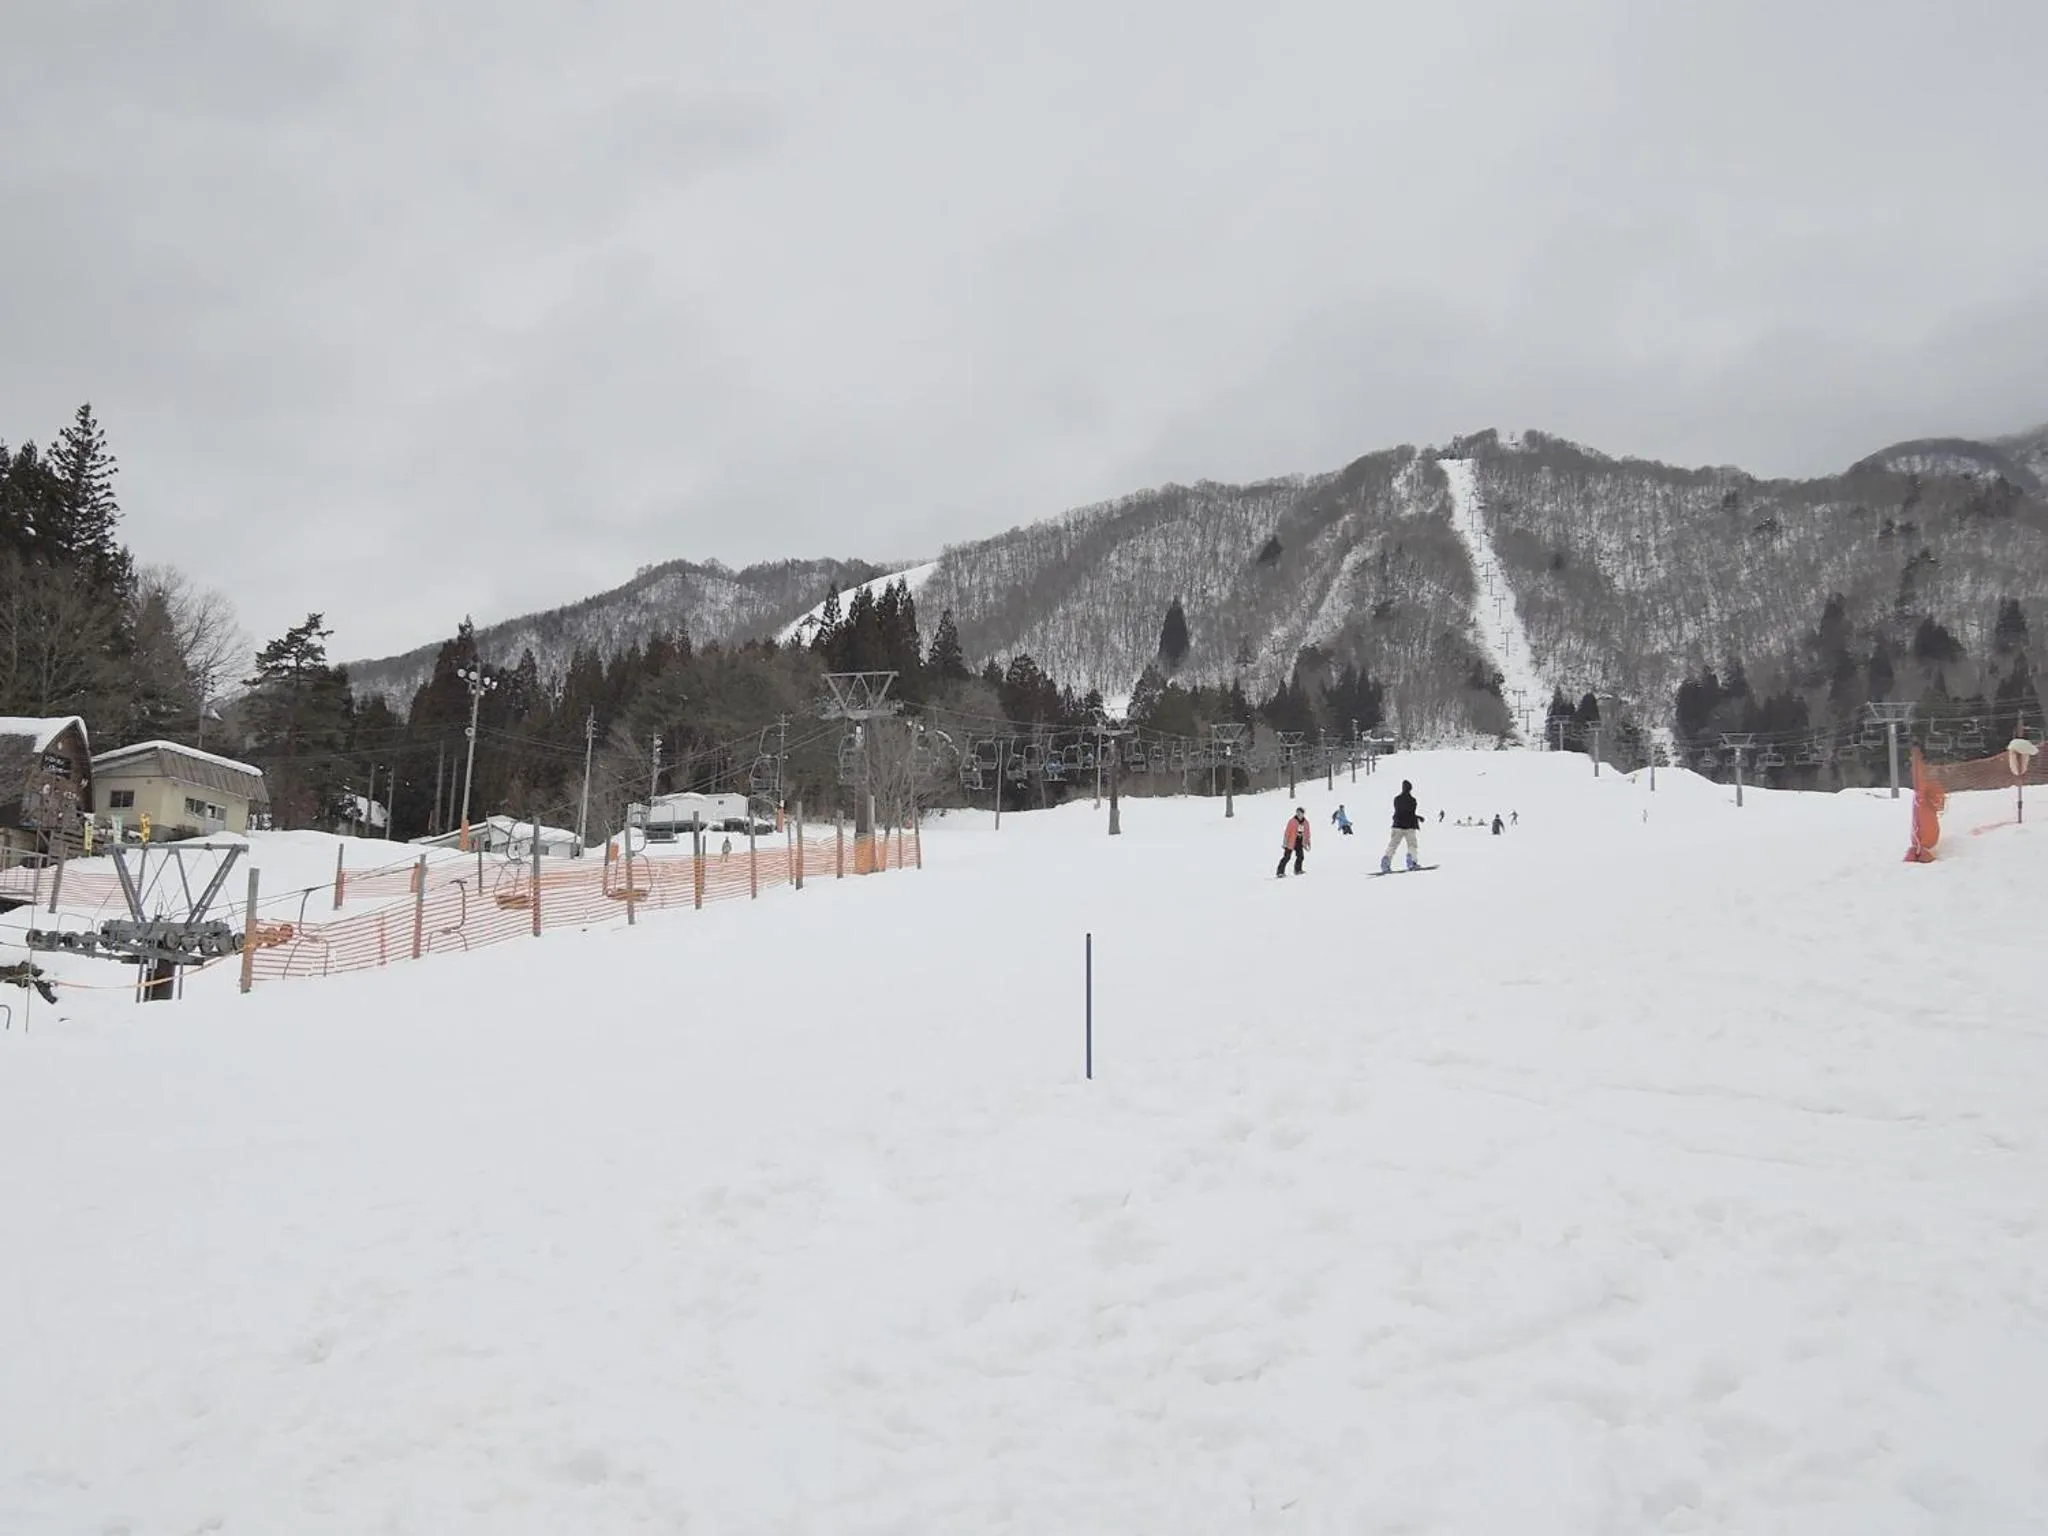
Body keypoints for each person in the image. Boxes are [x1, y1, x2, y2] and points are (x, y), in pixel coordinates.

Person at [1381, 780, 1422, 872]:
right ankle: (1411, 861)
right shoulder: (1412, 800)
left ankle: (1386, 861)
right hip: (1409, 826)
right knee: (1412, 845)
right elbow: (1410, 813)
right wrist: (1418, 817)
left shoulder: (1397, 799)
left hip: (1397, 825)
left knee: (1392, 845)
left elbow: (1400, 811)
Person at [1276, 806, 1310, 877]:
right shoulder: (1292, 821)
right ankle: (1280, 872)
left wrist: (1308, 842)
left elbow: (1307, 833)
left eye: (1300, 813)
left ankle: (1298, 870)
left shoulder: (1306, 822)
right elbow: (1287, 832)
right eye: (1297, 813)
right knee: (1287, 857)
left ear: (1303, 814)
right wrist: (1285, 843)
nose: (1299, 814)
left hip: (1300, 842)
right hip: (1291, 842)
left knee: (1300, 856)